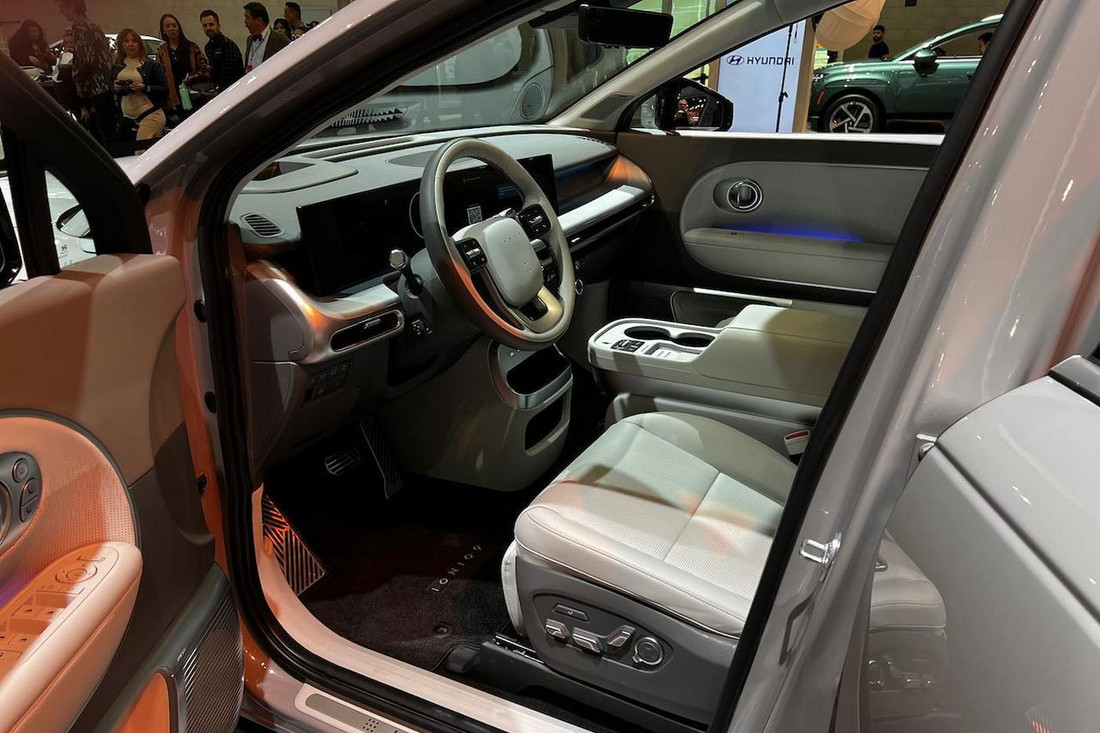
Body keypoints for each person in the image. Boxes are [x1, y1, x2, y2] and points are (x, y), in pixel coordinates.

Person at [55, 0, 116, 143]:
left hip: (94, 87)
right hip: (104, 84)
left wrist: (75, 77)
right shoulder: (92, 24)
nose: (60, 11)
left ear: (71, 6)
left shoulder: (80, 27)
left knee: (100, 135)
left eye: (62, 7)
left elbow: (85, 59)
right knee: (108, 131)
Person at [111, 28, 168, 149]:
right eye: (126, 41)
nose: (130, 44)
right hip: (127, 118)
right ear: (121, 44)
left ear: (139, 44)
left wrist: (145, 88)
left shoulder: (151, 66)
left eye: (134, 41)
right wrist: (115, 88)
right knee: (128, 154)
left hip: (151, 115)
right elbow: (109, 87)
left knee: (142, 153)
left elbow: (164, 89)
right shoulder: (116, 66)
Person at [156, 13, 210, 119]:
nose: (172, 29)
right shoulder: (161, 52)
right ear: (164, 30)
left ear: (179, 28)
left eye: (174, 25)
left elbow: (206, 70)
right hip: (175, 98)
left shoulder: (192, 47)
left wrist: (191, 78)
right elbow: (159, 77)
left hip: (195, 94)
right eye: (168, 26)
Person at [201, 10, 244, 91]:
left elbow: (228, 74)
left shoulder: (227, 44)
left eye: (211, 24)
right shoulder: (208, 47)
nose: (208, 28)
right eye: (205, 25)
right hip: (218, 89)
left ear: (218, 26)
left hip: (235, 89)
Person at [244, 2, 291, 72]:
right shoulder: (249, 39)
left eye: (247, 18)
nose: (245, 22)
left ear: (259, 20)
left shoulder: (281, 40)